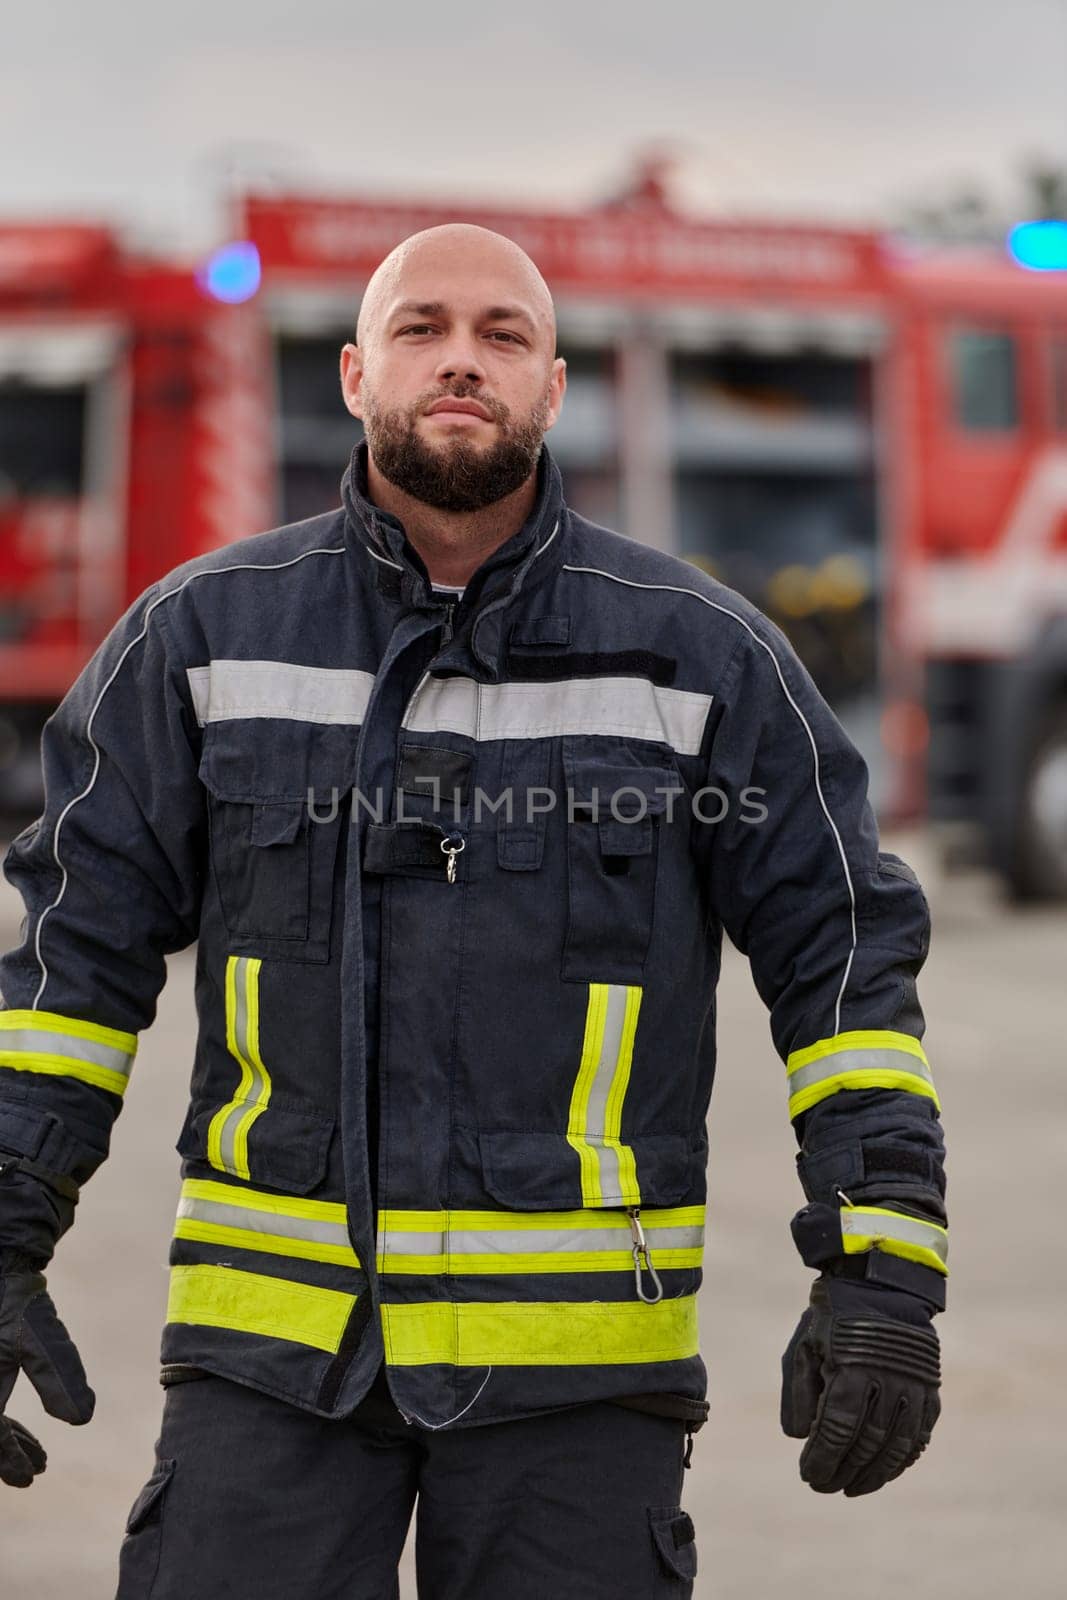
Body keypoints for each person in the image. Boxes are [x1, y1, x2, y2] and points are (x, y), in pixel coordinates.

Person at [0, 225, 947, 1598]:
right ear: (352, 371)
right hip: (269, 1375)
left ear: (556, 387)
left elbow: (847, 965)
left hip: (578, 1392)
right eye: (422, 328)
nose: (462, 359)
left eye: (503, 335)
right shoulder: (201, 641)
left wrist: (883, 1271)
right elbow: (71, 968)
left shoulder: (701, 657)